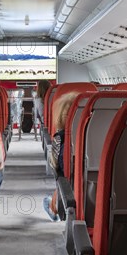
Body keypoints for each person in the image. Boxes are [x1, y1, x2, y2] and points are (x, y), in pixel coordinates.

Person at [43, 91, 79, 221]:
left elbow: (55, 165)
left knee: (61, 181)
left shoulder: (60, 139)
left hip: (70, 191)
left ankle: (54, 208)